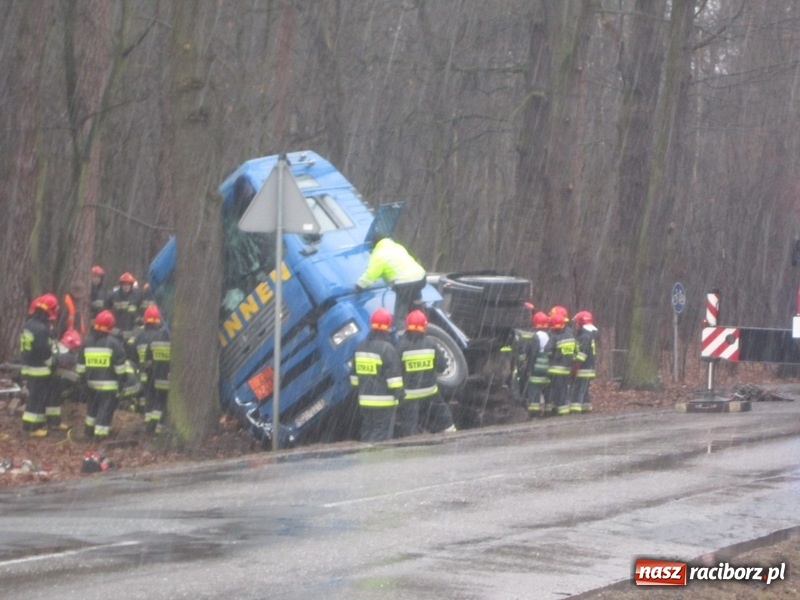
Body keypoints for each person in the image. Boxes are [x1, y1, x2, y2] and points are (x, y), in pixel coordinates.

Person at [395, 310, 456, 437]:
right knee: (443, 415)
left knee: (409, 423)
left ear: (407, 325)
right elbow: (442, 366)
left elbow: (396, 370)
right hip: (430, 392)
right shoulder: (430, 344)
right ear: (424, 326)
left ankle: (411, 445)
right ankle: (453, 436)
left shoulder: (401, 345)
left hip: (409, 395)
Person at [350, 307, 404, 442]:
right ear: (388, 327)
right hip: (384, 402)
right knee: (381, 434)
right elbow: (394, 381)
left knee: (368, 430)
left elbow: (354, 379)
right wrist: (401, 396)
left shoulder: (360, 347)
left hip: (364, 401)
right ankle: (376, 461)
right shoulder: (388, 349)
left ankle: (365, 458)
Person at [355, 233, 427, 331]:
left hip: (405, 284)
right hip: (420, 278)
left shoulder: (379, 254)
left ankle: (402, 336)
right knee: (416, 306)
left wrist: (359, 286)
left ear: (374, 244)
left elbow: (370, 275)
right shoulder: (397, 247)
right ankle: (423, 328)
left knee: (400, 314)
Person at [76, 310, 127, 439]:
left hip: (91, 384)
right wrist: (122, 382)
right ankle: (100, 436)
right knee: (105, 410)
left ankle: (89, 431)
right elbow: (120, 367)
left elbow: (80, 366)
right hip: (108, 386)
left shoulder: (87, 342)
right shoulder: (114, 343)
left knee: (92, 409)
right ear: (111, 326)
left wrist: (83, 381)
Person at [19, 294, 62, 436]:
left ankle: (39, 423)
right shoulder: (41, 329)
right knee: (36, 399)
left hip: (30, 367)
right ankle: (31, 428)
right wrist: (53, 363)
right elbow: (43, 351)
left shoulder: (30, 324)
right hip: (40, 369)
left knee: (38, 397)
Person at [132, 305, 171, 434]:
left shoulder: (140, 336)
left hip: (147, 374)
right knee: (161, 402)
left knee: (150, 400)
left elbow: (134, 355)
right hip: (164, 375)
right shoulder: (167, 337)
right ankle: (157, 428)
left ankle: (149, 425)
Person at [545, 307, 576, 416]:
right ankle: (561, 409)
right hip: (566, 368)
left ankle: (559, 411)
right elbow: (575, 351)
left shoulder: (554, 336)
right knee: (562, 390)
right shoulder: (570, 333)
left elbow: (547, 350)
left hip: (555, 368)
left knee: (557, 390)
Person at [524, 310, 552, 417]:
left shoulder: (536, 336)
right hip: (547, 367)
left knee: (534, 389)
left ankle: (534, 412)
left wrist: (529, 369)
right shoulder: (549, 335)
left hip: (537, 368)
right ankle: (549, 411)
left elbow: (533, 354)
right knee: (547, 390)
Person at [569, 310, 598, 413]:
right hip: (587, 367)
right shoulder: (588, 334)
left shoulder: (585, 336)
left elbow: (582, 354)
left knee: (577, 390)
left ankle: (575, 410)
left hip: (583, 368)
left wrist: (575, 367)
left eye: (577, 323)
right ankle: (586, 408)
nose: (576, 325)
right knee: (584, 390)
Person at [106, 272, 141, 338]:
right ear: (121, 285)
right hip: (116, 330)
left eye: (128, 284)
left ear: (131, 285)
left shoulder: (136, 296)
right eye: (124, 284)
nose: (126, 287)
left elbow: (138, 311)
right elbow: (106, 307)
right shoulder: (114, 295)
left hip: (130, 329)